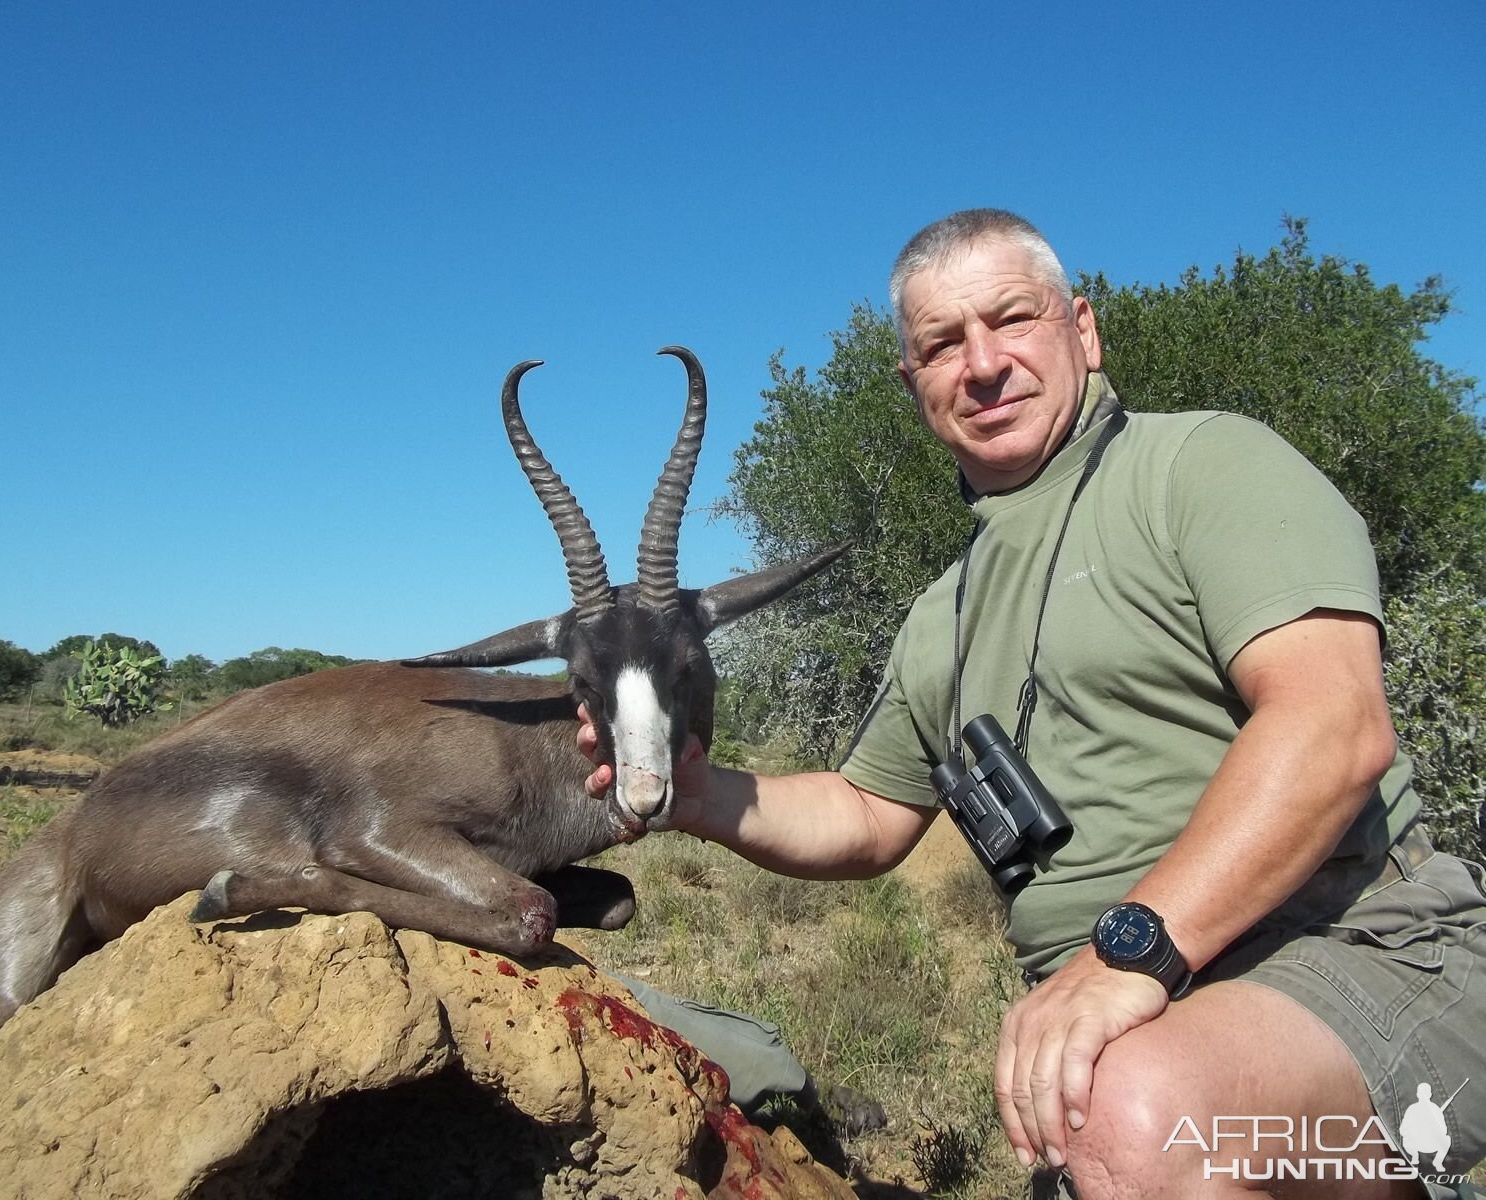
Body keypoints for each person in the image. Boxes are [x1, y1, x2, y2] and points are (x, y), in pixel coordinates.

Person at [578, 209, 1486, 1199]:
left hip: (1355, 944)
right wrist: (695, 797)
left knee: (1127, 1116)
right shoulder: (940, 615)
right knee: (1111, 1112)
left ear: (1081, 330)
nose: (981, 363)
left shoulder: (1205, 467)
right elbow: (869, 816)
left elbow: (1332, 728)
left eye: (1011, 319)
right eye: (940, 344)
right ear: (912, 384)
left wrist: (1127, 954)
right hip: (1140, 1015)